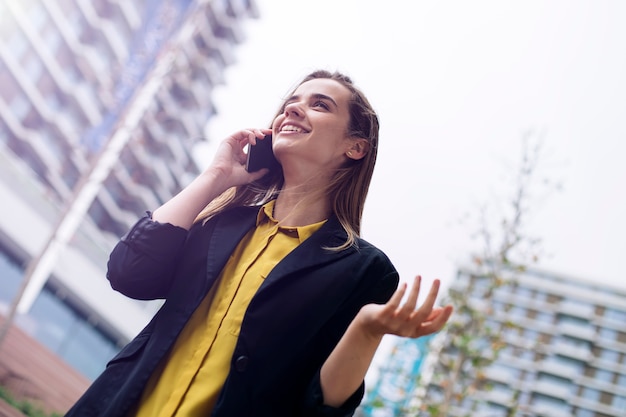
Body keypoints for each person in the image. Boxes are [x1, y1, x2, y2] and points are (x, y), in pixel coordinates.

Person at [66, 70, 453, 417]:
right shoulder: (221, 223)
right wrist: (216, 177)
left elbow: (320, 408)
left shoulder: (362, 271)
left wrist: (367, 331)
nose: (294, 111)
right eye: (290, 104)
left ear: (355, 147)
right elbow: (129, 274)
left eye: (320, 105)